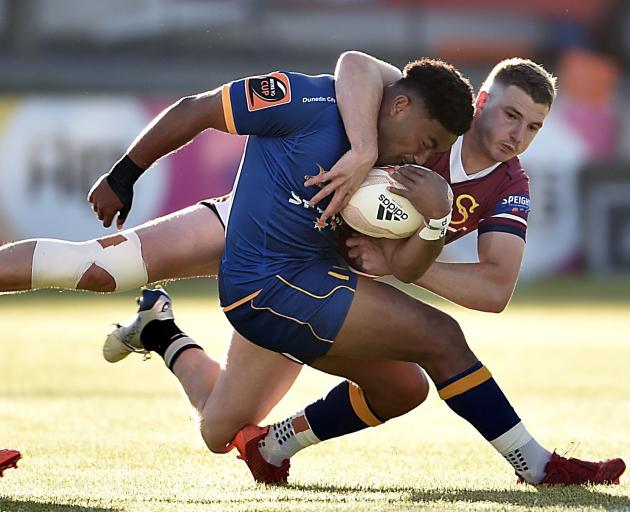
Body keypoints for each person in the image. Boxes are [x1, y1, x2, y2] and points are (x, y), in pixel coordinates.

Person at [1, 53, 625, 486]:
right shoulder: (406, 101)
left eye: (535, 126)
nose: (517, 134)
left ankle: (165, 337)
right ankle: (537, 464)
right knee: (98, 267)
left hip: (315, 269)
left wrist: (424, 233)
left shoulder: (505, 183)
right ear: (482, 102)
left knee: (224, 429)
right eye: (511, 115)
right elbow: (353, 64)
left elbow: (490, 289)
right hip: (255, 221)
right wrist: (125, 171)